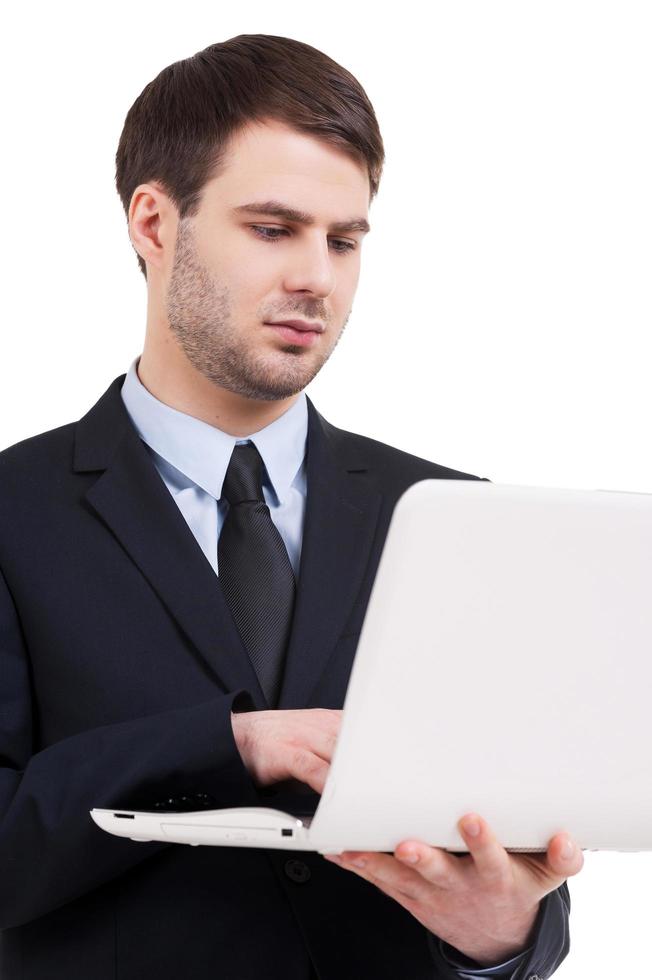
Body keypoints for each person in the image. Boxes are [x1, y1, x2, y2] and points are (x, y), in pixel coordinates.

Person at [0, 34, 583, 980]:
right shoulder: (14, 516)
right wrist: (229, 745)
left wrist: (502, 935)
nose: (318, 276)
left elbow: (526, 898)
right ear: (154, 223)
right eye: (274, 229)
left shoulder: (447, 517)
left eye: (344, 240)